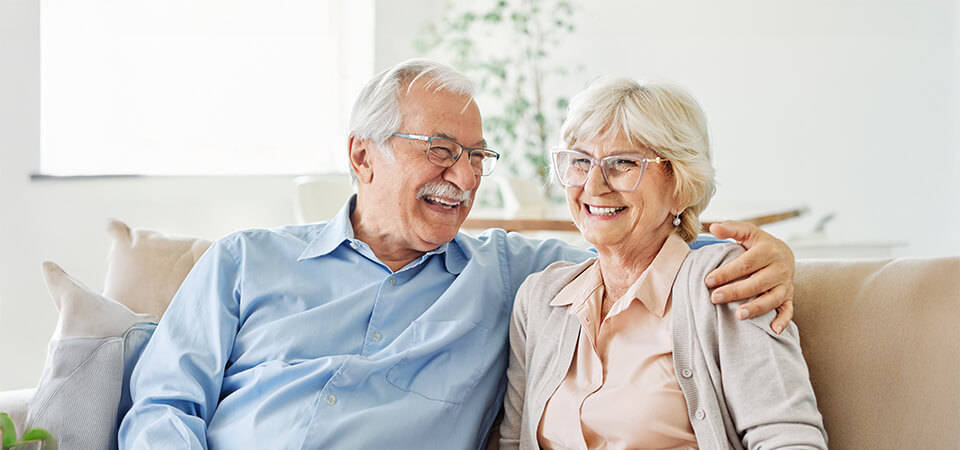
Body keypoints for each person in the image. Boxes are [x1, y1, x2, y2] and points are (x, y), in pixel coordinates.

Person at [119, 60, 798, 449]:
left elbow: (635, 250)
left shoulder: (513, 277)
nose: (465, 177)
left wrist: (751, 254)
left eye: (477, 157)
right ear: (362, 155)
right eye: (441, 151)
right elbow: (162, 407)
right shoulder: (243, 261)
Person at [498, 78, 826, 449]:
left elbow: (789, 439)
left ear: (681, 185)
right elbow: (512, 442)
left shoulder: (728, 282)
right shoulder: (539, 299)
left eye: (622, 163)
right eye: (580, 161)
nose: (593, 185)